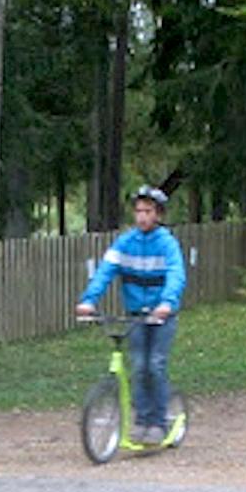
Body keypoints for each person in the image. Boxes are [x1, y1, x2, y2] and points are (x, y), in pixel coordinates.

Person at [75, 185, 187, 445]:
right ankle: (142, 421)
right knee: (138, 366)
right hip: (135, 315)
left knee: (154, 365)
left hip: (162, 316)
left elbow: (176, 276)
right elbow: (105, 271)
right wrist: (89, 300)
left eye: (148, 211)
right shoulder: (125, 242)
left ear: (158, 215)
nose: (142, 217)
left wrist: (167, 303)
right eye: (138, 211)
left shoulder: (167, 243)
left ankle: (158, 422)